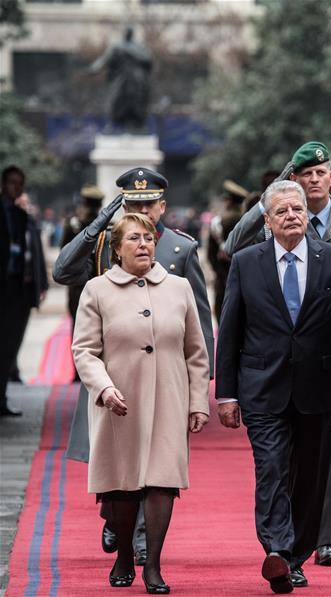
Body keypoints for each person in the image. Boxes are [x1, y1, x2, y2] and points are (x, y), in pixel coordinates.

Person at [223, 141, 331, 570]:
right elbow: (232, 248)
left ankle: (322, 539)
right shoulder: (265, 233)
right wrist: (274, 195)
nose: (313, 181)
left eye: (320, 172)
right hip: (270, 375)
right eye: (304, 174)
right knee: (274, 465)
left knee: (323, 459)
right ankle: (282, 547)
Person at [54, 166, 214, 564]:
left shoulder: (180, 247)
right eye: (133, 203)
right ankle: (116, 518)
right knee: (114, 466)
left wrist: (201, 384)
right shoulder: (104, 241)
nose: (142, 210)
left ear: (162, 206)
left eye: (148, 203)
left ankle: (142, 542)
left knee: (157, 468)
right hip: (113, 376)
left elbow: (198, 320)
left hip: (162, 379)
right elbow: (62, 271)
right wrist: (98, 225)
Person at [0, 166, 48, 416]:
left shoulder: (23, 217)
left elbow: (35, 251)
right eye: (12, 182)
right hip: (4, 287)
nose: (16, 188)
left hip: (20, 289)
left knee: (11, 344)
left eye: (20, 183)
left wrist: (41, 283)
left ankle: (2, 397)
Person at [61, 184, 105, 381]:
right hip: (93, 284)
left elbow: (64, 255)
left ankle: (80, 371)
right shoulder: (79, 225)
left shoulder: (74, 225)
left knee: (80, 328)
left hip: (82, 286)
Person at [207, 180, 248, 322]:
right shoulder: (248, 221)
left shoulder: (218, 222)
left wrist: (220, 272)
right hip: (246, 279)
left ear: (228, 202)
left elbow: (211, 254)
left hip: (223, 278)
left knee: (223, 317)